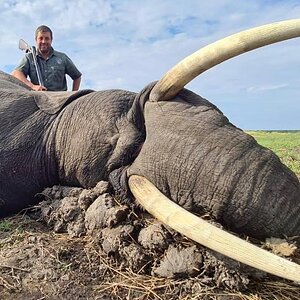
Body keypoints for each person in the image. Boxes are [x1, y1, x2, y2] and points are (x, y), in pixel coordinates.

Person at [12, 25, 82, 91]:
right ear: (36, 40)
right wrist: (32, 86)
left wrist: (73, 96)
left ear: (51, 40)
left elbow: (77, 76)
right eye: (41, 38)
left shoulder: (62, 58)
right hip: (38, 99)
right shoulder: (29, 57)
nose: (43, 41)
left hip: (60, 99)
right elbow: (16, 73)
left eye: (47, 38)